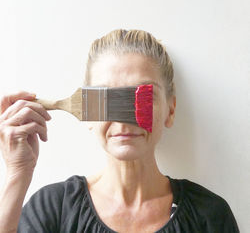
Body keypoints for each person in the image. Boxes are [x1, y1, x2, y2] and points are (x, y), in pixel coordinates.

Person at [0, 29, 239, 233]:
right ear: (88, 113)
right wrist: (17, 175)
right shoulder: (53, 208)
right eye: (106, 98)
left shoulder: (210, 215)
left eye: (143, 95)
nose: (124, 119)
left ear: (171, 110)